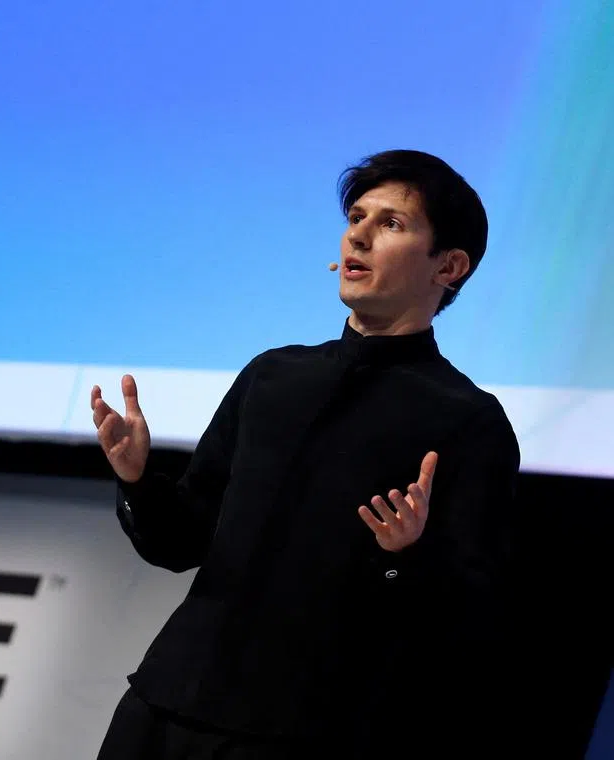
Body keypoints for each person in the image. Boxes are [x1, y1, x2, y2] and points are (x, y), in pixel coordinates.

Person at [91, 150, 520, 759]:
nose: (359, 234)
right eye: (356, 216)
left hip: (306, 731)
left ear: (449, 266)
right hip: (167, 701)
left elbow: (473, 619)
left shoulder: (466, 420)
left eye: (391, 224)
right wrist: (138, 480)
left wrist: (405, 556)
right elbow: (178, 544)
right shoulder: (273, 376)